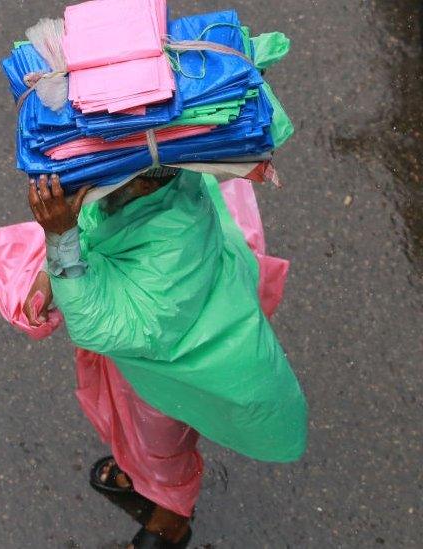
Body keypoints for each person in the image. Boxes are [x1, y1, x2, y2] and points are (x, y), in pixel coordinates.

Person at [22, 169, 307, 549]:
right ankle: (142, 474)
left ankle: (171, 517)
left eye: (98, 175)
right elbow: (94, 221)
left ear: (141, 182)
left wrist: (61, 241)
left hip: (177, 378)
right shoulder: (168, 182)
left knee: (162, 448)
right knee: (141, 437)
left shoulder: (165, 272)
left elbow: (96, 325)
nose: (85, 186)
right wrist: (51, 265)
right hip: (188, 332)